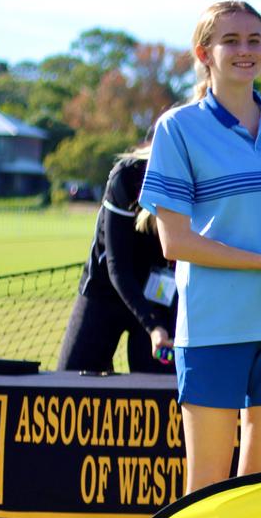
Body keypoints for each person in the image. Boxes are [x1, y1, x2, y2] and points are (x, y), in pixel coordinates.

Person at [139, 0, 261, 493]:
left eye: (254, 40)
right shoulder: (178, 128)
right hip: (212, 328)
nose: (245, 50)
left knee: (258, 488)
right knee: (207, 488)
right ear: (204, 53)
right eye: (231, 40)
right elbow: (176, 242)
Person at [57, 143, 176, 374]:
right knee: (69, 382)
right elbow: (118, 268)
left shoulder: (200, 180)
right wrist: (153, 326)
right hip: (105, 292)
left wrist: (159, 326)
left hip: (158, 296)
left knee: (159, 388)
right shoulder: (127, 176)